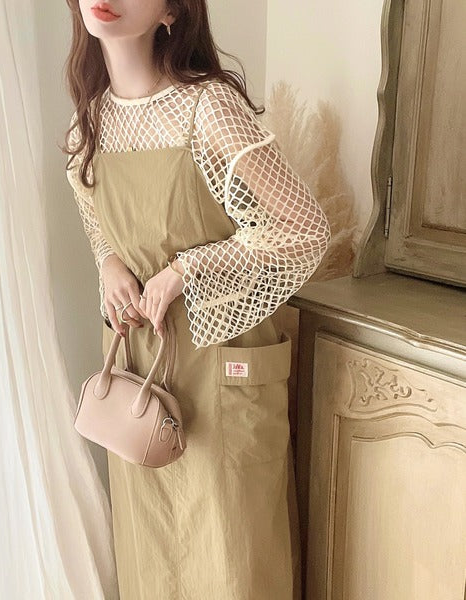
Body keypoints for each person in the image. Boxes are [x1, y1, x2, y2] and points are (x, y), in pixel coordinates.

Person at [63, 1, 331, 598]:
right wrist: (108, 262)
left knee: (233, 556)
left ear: (172, 11)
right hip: (137, 372)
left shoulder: (208, 107)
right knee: (151, 553)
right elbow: (93, 214)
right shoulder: (90, 121)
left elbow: (305, 228)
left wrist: (188, 270)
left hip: (220, 367)